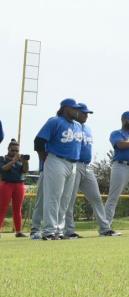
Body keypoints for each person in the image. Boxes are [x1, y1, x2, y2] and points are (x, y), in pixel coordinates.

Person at [64, 103, 119, 238]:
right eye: (84, 113)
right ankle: (69, 231)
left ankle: (105, 228)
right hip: (74, 164)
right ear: (76, 112)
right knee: (69, 200)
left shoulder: (87, 128)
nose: (86, 116)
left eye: (87, 113)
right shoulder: (70, 126)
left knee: (96, 198)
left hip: (87, 167)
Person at [33, 98, 83, 240]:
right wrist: (46, 158)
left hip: (72, 164)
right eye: (74, 108)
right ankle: (49, 230)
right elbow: (38, 141)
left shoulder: (78, 125)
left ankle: (58, 230)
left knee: (65, 199)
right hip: (56, 160)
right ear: (66, 108)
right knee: (53, 197)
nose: (77, 111)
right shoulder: (54, 121)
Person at [0, 139, 29, 237]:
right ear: (8, 149)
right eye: (13, 150)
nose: (15, 152)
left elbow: (25, 171)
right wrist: (14, 161)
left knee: (18, 209)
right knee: (2, 208)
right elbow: (3, 169)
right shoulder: (2, 159)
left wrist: (25, 162)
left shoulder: (20, 160)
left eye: (17, 151)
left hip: (19, 185)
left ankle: (18, 231)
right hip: (6, 184)